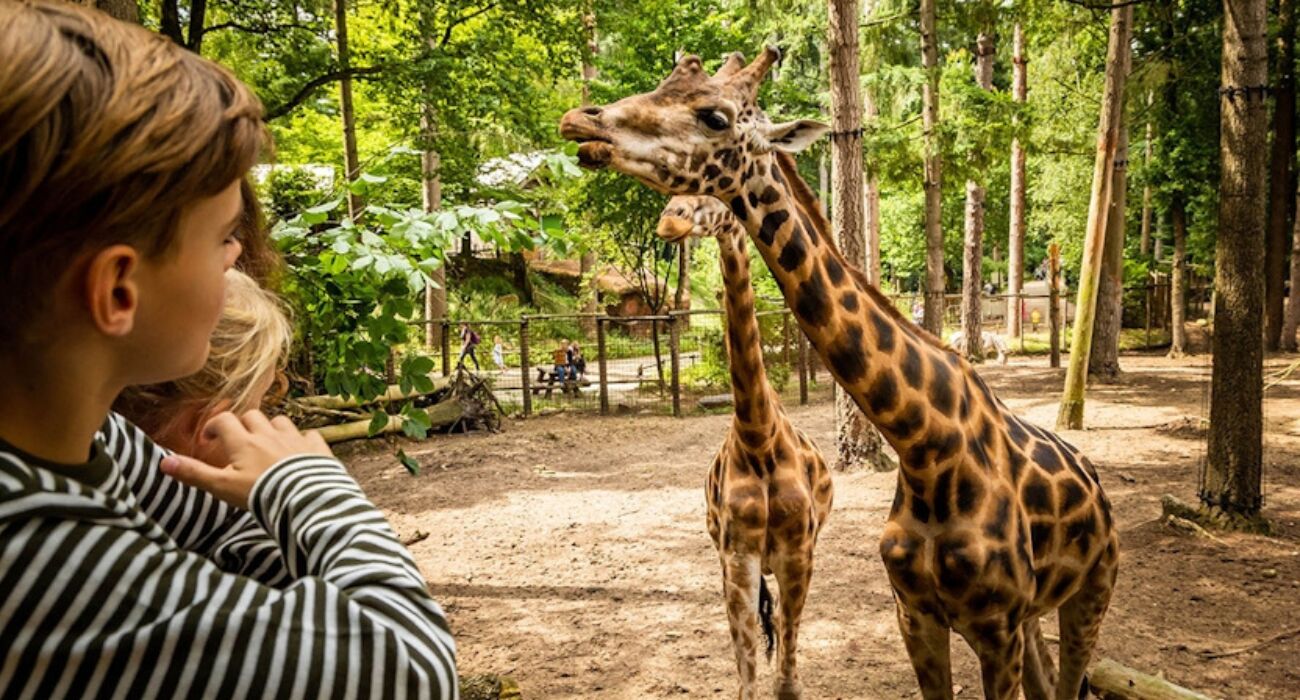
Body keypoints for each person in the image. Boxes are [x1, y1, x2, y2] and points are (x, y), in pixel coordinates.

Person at [0, 4, 456, 697]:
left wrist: (269, 514)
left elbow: (218, 538)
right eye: (220, 238)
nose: (239, 254)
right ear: (118, 291)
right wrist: (309, 488)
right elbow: (407, 670)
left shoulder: (91, 438)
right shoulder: (30, 549)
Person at [114, 269, 295, 586]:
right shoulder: (246, 545)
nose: (262, 421)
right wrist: (303, 487)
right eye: (259, 404)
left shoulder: (98, 479)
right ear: (211, 425)